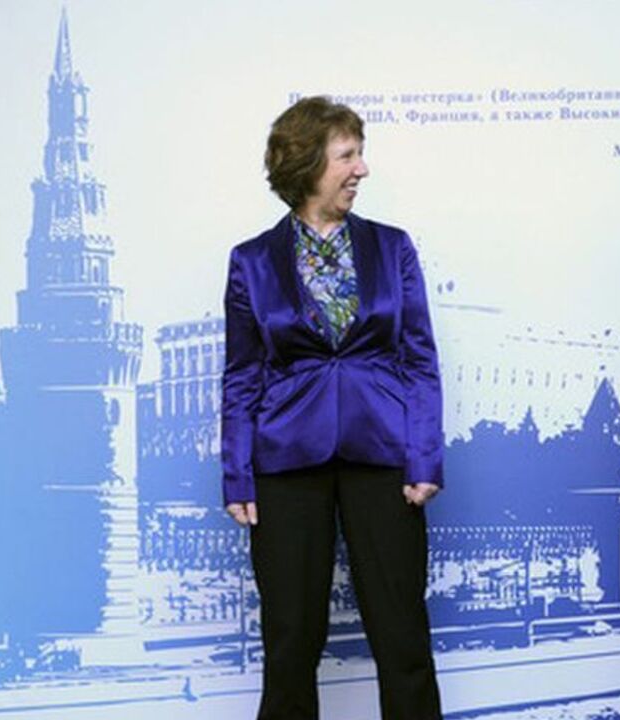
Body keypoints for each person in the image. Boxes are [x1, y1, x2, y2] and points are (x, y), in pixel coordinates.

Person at [221, 96, 443, 720]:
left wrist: (423, 456)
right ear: (308, 165)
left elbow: (420, 360)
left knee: (402, 635)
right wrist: (237, 472)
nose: (361, 169)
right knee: (290, 640)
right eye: (347, 155)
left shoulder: (392, 248)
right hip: (286, 461)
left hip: (384, 455)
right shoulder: (252, 261)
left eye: (359, 154)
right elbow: (241, 375)